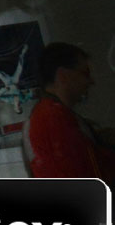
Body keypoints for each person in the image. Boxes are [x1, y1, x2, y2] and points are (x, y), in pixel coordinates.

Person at [23, 42, 115, 181]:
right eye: (85, 74)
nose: (91, 81)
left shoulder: (52, 115)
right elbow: (83, 173)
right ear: (63, 76)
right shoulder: (51, 119)